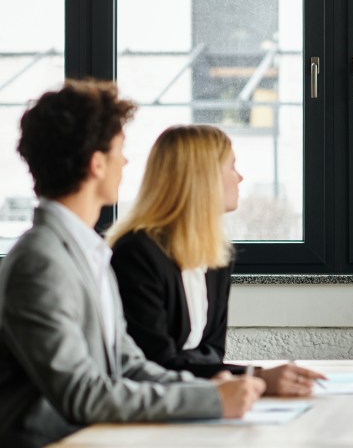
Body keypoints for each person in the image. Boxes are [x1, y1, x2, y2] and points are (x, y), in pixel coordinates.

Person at [0, 80, 264, 448]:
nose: (126, 163)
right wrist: (208, 401)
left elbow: (127, 364)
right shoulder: (41, 261)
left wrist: (209, 392)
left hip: (89, 447)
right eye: (120, 150)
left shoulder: (88, 252)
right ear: (97, 163)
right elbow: (83, 394)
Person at [107, 125, 324, 396]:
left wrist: (250, 379)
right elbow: (154, 362)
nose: (240, 177)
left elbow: (212, 353)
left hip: (194, 400)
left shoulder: (216, 255)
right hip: (153, 402)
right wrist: (256, 378)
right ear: (203, 177)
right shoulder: (137, 254)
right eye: (232, 166)